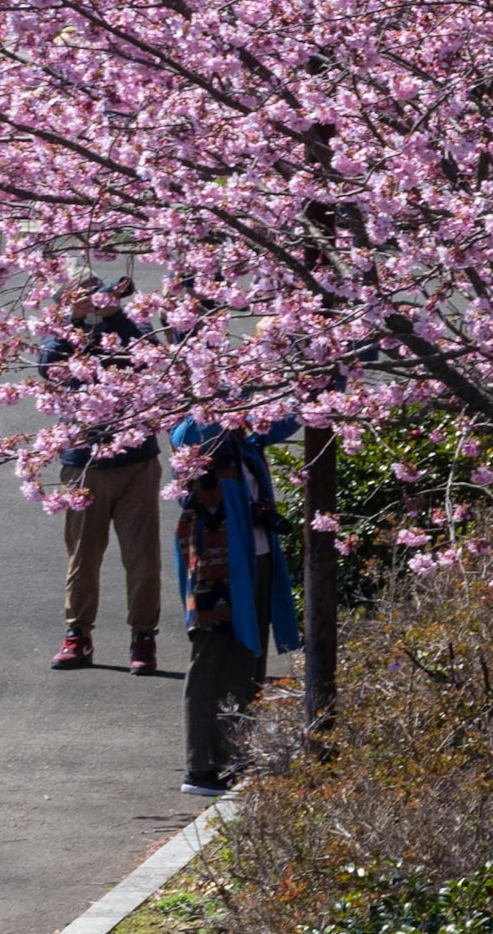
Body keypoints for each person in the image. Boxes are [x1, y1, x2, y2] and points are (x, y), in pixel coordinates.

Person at [170, 418, 302, 797]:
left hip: (254, 556)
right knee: (211, 656)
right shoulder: (197, 433)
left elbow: (281, 423)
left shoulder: (244, 440)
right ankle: (201, 766)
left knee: (247, 658)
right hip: (216, 562)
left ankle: (237, 756)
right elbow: (194, 434)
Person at [38, 280, 161, 674]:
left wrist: (117, 318)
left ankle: (143, 635)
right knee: (83, 556)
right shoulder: (62, 329)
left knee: (142, 556)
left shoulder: (133, 323)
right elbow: (50, 369)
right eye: (83, 297)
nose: (93, 303)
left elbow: (153, 357)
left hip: (135, 460)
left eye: (98, 295)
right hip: (84, 461)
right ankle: (78, 634)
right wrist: (70, 322)